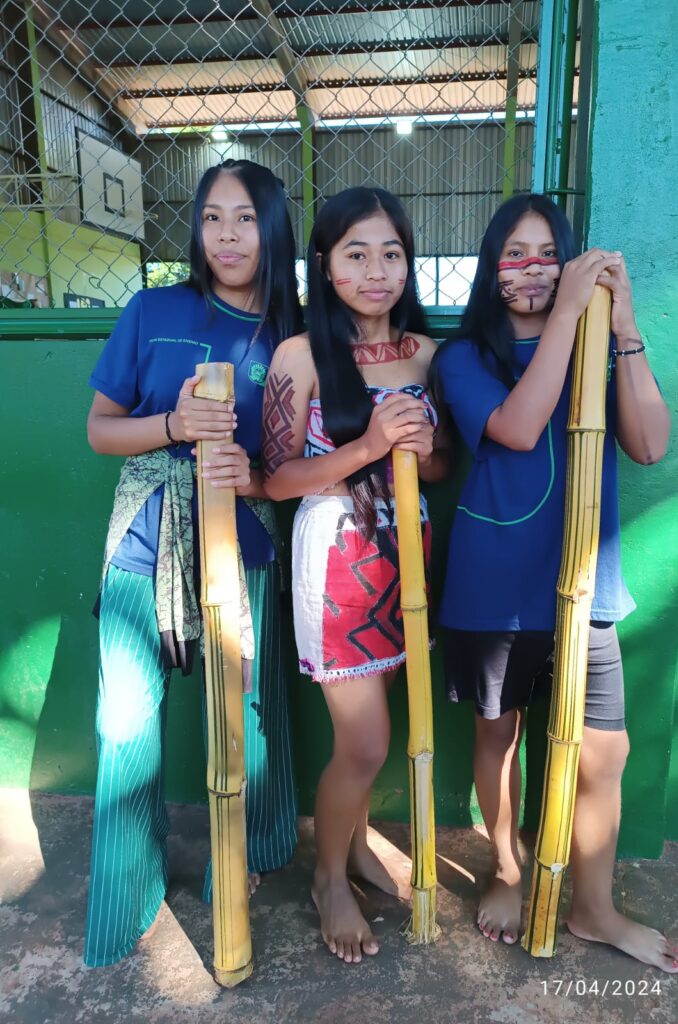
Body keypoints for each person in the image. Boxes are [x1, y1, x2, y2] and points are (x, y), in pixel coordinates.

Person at [434, 194, 678, 972]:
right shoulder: (463, 355)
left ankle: (593, 908)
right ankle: (507, 871)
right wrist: (573, 315)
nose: (532, 268)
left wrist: (624, 324)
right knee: (498, 736)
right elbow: (516, 426)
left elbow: (649, 445)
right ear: (491, 267)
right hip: (494, 586)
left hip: (587, 585)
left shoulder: (602, 343)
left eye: (548, 253)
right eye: (515, 253)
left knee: (604, 752)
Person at [83, 159, 302, 967]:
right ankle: (125, 892)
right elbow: (102, 429)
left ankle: (240, 859)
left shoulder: (288, 337)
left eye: (245, 218)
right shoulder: (152, 310)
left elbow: (286, 464)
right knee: (125, 721)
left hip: (240, 543)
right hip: (142, 536)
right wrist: (173, 423)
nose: (227, 235)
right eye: (212, 218)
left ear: (271, 228)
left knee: (243, 720)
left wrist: (251, 472)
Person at [262, 186, 450, 964]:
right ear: (325, 266)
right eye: (356, 253)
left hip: (407, 556)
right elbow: (276, 480)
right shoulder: (300, 355)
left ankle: (363, 846)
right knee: (367, 743)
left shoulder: (427, 354)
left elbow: (438, 469)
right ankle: (330, 877)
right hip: (336, 558)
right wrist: (372, 446)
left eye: (392, 253)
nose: (377, 271)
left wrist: (422, 449)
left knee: (383, 725)